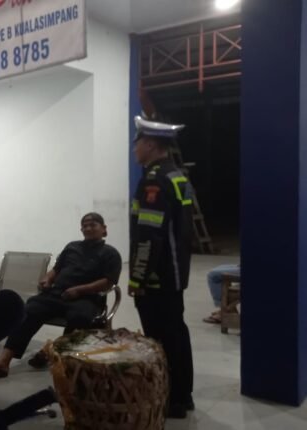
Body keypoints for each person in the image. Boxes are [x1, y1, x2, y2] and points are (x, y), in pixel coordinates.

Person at [0, 213, 122, 377]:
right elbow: (56, 269)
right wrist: (47, 278)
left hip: (87, 298)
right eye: (84, 226)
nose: (88, 228)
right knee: (29, 310)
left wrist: (79, 290)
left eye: (93, 225)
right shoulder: (72, 247)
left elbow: (108, 282)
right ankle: (4, 361)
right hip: (56, 294)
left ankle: (56, 356)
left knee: (80, 318)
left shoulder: (111, 254)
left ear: (104, 229)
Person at [129, 115, 194, 419]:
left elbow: (149, 236)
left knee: (161, 339)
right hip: (175, 272)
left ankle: (170, 399)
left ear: (151, 145)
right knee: (177, 333)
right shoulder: (176, 175)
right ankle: (183, 394)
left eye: (137, 143)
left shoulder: (153, 181)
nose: (134, 149)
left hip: (157, 277)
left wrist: (138, 278)